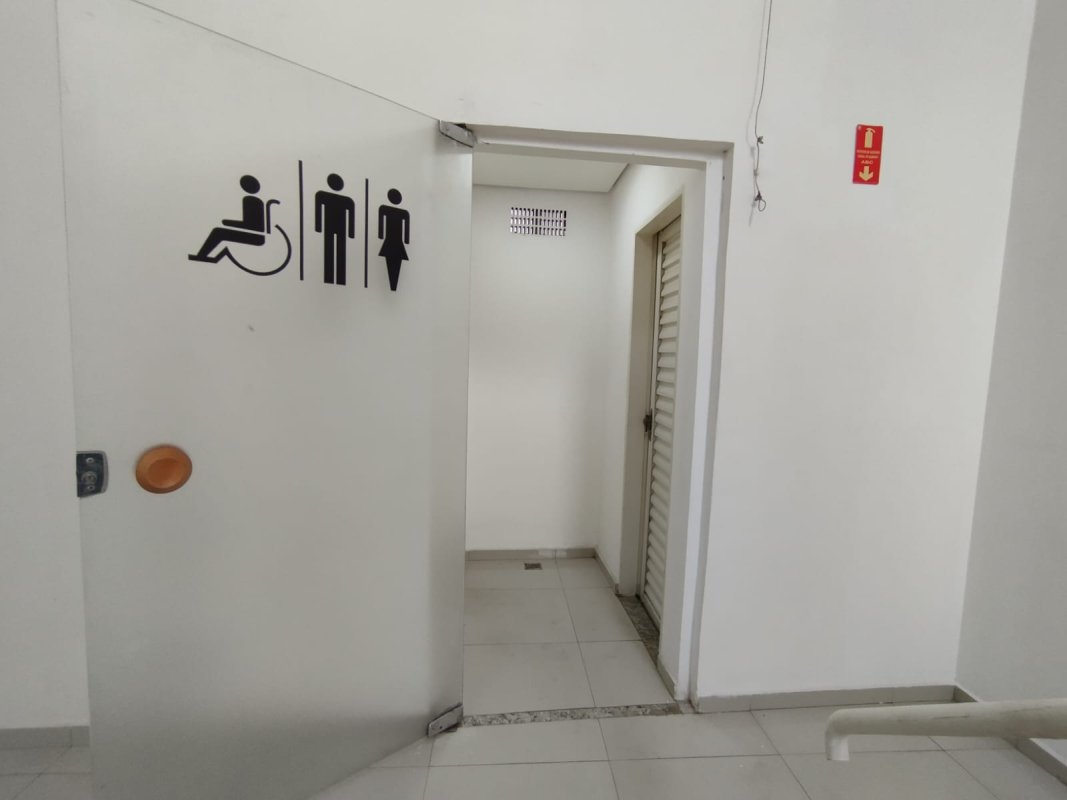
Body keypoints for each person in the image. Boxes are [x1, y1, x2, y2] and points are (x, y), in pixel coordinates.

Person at [188, 175, 267, 262]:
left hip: (255, 236)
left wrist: (228, 223)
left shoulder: (250, 200)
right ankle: (202, 255)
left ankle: (201, 256)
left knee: (218, 232)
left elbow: (252, 225)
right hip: (253, 234)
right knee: (218, 232)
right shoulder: (253, 200)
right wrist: (228, 223)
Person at [315, 173, 355, 286]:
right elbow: (318, 211)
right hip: (331, 227)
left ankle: (338, 277)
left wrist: (351, 232)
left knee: (339, 251)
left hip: (338, 228)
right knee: (330, 250)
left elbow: (351, 216)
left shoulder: (347, 200)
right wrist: (318, 227)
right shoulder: (322, 195)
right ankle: (330, 276)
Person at [378, 188, 410, 291]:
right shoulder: (386, 209)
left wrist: (381, 235)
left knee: (394, 265)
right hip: (394, 242)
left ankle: (393, 287)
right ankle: (392, 287)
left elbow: (406, 229)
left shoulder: (386, 209)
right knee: (393, 265)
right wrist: (406, 240)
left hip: (393, 242)